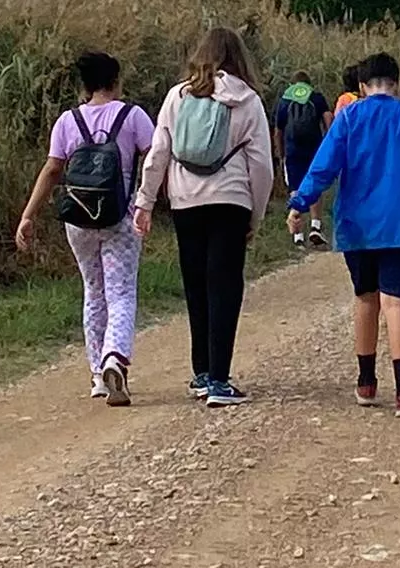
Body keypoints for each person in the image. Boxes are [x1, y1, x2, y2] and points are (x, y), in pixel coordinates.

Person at [287, 52, 400, 418]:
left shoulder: (348, 118)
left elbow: (323, 167)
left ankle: (366, 383)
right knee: (397, 304)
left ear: (362, 85)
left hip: (358, 227)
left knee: (365, 300)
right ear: (397, 82)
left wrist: (299, 202)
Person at [133, 28, 273, 408]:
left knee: (196, 285)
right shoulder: (247, 100)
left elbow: (158, 153)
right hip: (230, 200)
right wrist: (255, 215)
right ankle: (219, 380)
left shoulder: (177, 96)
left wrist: (144, 202)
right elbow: (261, 166)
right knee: (225, 287)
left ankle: (200, 372)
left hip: (185, 201)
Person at [17, 51, 156, 406]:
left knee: (93, 291)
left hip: (77, 219)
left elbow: (52, 170)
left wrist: (28, 215)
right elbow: (156, 159)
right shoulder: (132, 116)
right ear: (116, 80)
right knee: (121, 292)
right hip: (120, 218)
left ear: (85, 84)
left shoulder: (68, 120)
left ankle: (97, 374)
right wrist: (147, 203)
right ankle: (115, 358)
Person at [273, 71, 331, 247]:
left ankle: (297, 235)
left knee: (295, 188)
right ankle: (315, 226)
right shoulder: (316, 96)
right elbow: (328, 118)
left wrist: (281, 153)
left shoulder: (285, 100)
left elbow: (278, 130)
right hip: (314, 146)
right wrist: (329, 141)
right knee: (314, 182)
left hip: (292, 149)